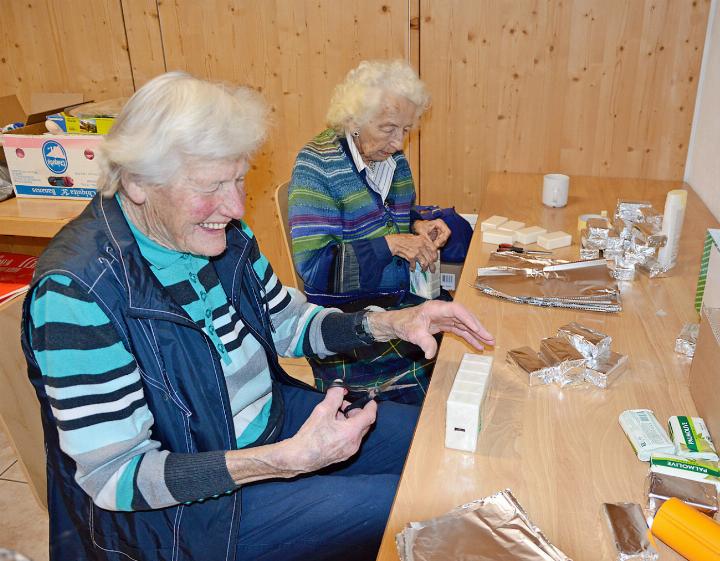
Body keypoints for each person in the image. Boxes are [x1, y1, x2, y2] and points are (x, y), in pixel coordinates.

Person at [21, 72, 494, 561]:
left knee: (438, 449)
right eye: (212, 186)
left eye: (240, 178)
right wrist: (283, 462)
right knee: (420, 505)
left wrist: (389, 323)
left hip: (270, 424)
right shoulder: (77, 292)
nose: (235, 206)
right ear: (139, 182)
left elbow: (287, 322)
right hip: (188, 515)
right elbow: (114, 477)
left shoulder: (218, 233)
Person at [289, 59, 454, 404]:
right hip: (352, 334)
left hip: (400, 306)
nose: (397, 143)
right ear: (353, 120)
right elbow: (317, 270)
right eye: (388, 128)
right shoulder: (316, 166)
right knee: (440, 404)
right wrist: (391, 245)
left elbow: (391, 215)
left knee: (468, 360)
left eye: (406, 130)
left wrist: (418, 225)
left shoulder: (394, 162)